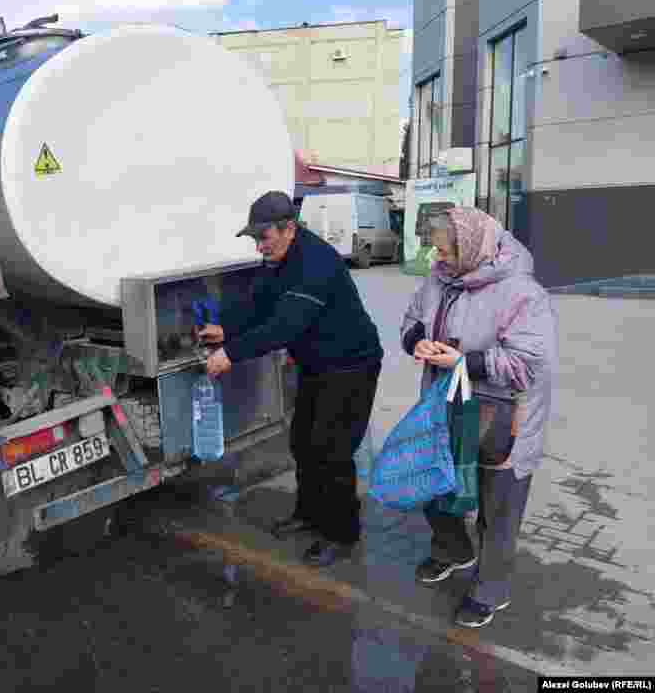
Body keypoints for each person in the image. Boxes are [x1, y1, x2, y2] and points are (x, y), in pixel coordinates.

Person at [200, 190, 383, 566]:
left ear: (289, 229)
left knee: (331, 451)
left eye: (263, 237)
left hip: (351, 367)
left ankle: (341, 534)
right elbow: (259, 304)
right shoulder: (280, 260)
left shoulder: (316, 263)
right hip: (318, 365)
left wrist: (229, 354)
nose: (259, 247)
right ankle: (310, 515)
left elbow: (283, 327)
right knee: (303, 443)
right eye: (254, 239)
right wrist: (225, 329)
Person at [400, 207, 556, 629]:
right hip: (444, 405)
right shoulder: (439, 279)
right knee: (433, 484)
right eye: (436, 251)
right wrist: (418, 342)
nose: (438, 259)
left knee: (496, 506)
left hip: (502, 418)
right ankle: (452, 549)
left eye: (445, 251)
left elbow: (526, 364)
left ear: (471, 247)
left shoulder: (522, 292)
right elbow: (412, 320)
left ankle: (491, 590)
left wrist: (462, 361)